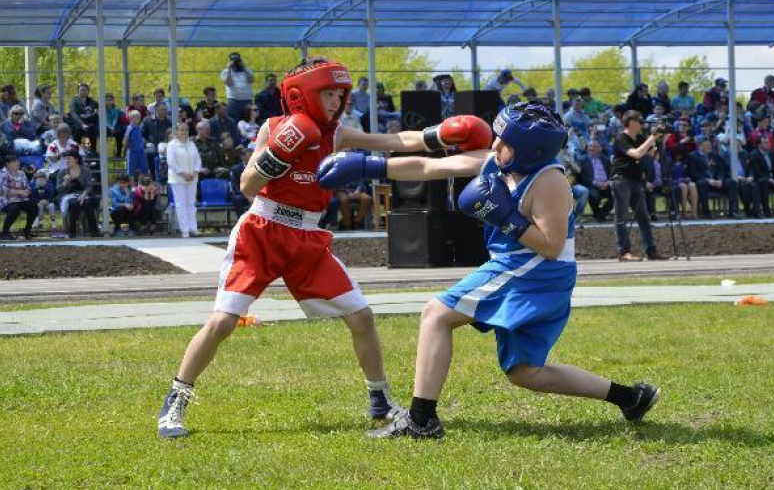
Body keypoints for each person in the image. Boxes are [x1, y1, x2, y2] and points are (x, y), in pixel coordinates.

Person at [156, 57, 490, 439]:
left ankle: (379, 399)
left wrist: (441, 135)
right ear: (303, 96)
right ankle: (175, 400)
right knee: (224, 321)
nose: (336, 102)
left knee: (361, 317)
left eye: (339, 94)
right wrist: (277, 156)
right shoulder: (274, 127)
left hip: (308, 238)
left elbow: (394, 142)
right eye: (327, 94)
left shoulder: (337, 135)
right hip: (262, 230)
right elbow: (248, 185)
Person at [317, 103, 661, 439]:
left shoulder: (549, 182)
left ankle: (421, 420)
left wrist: (504, 217)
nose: (494, 145)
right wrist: (367, 167)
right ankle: (630, 397)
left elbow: (552, 247)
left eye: (504, 142)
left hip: (534, 269)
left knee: (436, 314)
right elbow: (426, 167)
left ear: (529, 149)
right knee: (524, 372)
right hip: (527, 269)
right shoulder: (499, 163)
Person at [610, 111, 667, 261]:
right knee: (621, 217)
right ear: (631, 122)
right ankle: (624, 251)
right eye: (640, 121)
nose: (642, 123)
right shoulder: (621, 138)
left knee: (643, 217)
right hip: (621, 180)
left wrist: (660, 140)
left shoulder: (641, 138)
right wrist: (652, 137)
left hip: (636, 180)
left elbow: (655, 155)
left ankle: (651, 250)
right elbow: (636, 154)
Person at [166, 122, 201, 239]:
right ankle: (184, 230)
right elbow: (171, 162)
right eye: (182, 130)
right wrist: (183, 173)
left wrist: (195, 172)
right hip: (177, 179)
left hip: (192, 178)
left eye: (186, 130)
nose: (184, 132)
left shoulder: (192, 144)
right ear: (176, 132)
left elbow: (198, 160)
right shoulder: (171, 145)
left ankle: (193, 228)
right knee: (181, 204)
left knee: (191, 203)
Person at [55, 150, 100, 238]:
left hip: (85, 194)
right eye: (66, 159)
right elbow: (58, 190)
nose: (67, 161)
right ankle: (72, 233)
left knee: (87, 204)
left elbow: (89, 186)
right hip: (68, 195)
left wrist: (84, 195)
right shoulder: (62, 172)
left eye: (69, 159)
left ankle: (94, 232)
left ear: (76, 159)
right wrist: (65, 183)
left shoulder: (86, 171)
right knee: (74, 204)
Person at [0, 155, 38, 240]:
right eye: (14, 161)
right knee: (14, 209)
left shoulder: (21, 173)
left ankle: (26, 231)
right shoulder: (2, 173)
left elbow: (27, 187)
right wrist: (19, 192)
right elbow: (2, 190)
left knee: (33, 204)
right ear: (7, 164)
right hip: (6, 201)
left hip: (20, 199)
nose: (18, 163)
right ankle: (5, 233)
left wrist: (27, 192)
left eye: (18, 161)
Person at [221, 52, 255, 124]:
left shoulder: (248, 70)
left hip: (247, 101)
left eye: (237, 60)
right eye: (234, 61)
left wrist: (244, 68)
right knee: (233, 122)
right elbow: (229, 83)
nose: (236, 63)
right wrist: (229, 69)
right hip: (234, 101)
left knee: (248, 122)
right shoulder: (226, 72)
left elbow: (251, 80)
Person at [68, 83, 99, 150]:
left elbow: (100, 107)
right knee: (77, 130)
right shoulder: (74, 101)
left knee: (93, 128)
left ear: (88, 92)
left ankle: (93, 151)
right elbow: (73, 114)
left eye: (85, 90)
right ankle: (76, 150)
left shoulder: (91, 101)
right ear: (78, 91)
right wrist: (82, 124)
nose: (83, 92)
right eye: (81, 90)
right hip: (77, 122)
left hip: (88, 122)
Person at [124, 110, 148, 184]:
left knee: (144, 168)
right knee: (131, 170)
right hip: (132, 151)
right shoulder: (129, 128)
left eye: (139, 117)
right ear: (131, 118)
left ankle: (139, 184)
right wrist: (127, 147)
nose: (138, 119)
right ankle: (132, 186)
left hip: (140, 151)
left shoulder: (139, 127)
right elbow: (126, 138)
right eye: (136, 117)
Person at [105, 93, 128, 157]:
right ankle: (104, 151)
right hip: (106, 126)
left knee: (119, 131)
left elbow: (115, 119)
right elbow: (105, 120)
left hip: (114, 126)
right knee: (104, 131)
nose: (108, 101)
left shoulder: (116, 110)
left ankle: (119, 151)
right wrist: (110, 127)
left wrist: (113, 127)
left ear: (113, 101)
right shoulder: (102, 110)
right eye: (107, 100)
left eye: (110, 100)